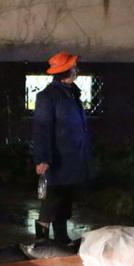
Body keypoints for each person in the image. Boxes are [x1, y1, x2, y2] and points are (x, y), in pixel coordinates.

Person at [32, 50, 91, 245]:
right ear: (66, 71)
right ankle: (41, 241)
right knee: (51, 200)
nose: (77, 70)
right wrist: (42, 158)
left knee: (65, 198)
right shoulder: (48, 96)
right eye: (74, 67)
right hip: (56, 158)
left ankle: (61, 237)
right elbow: (42, 128)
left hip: (72, 157)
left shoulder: (72, 93)